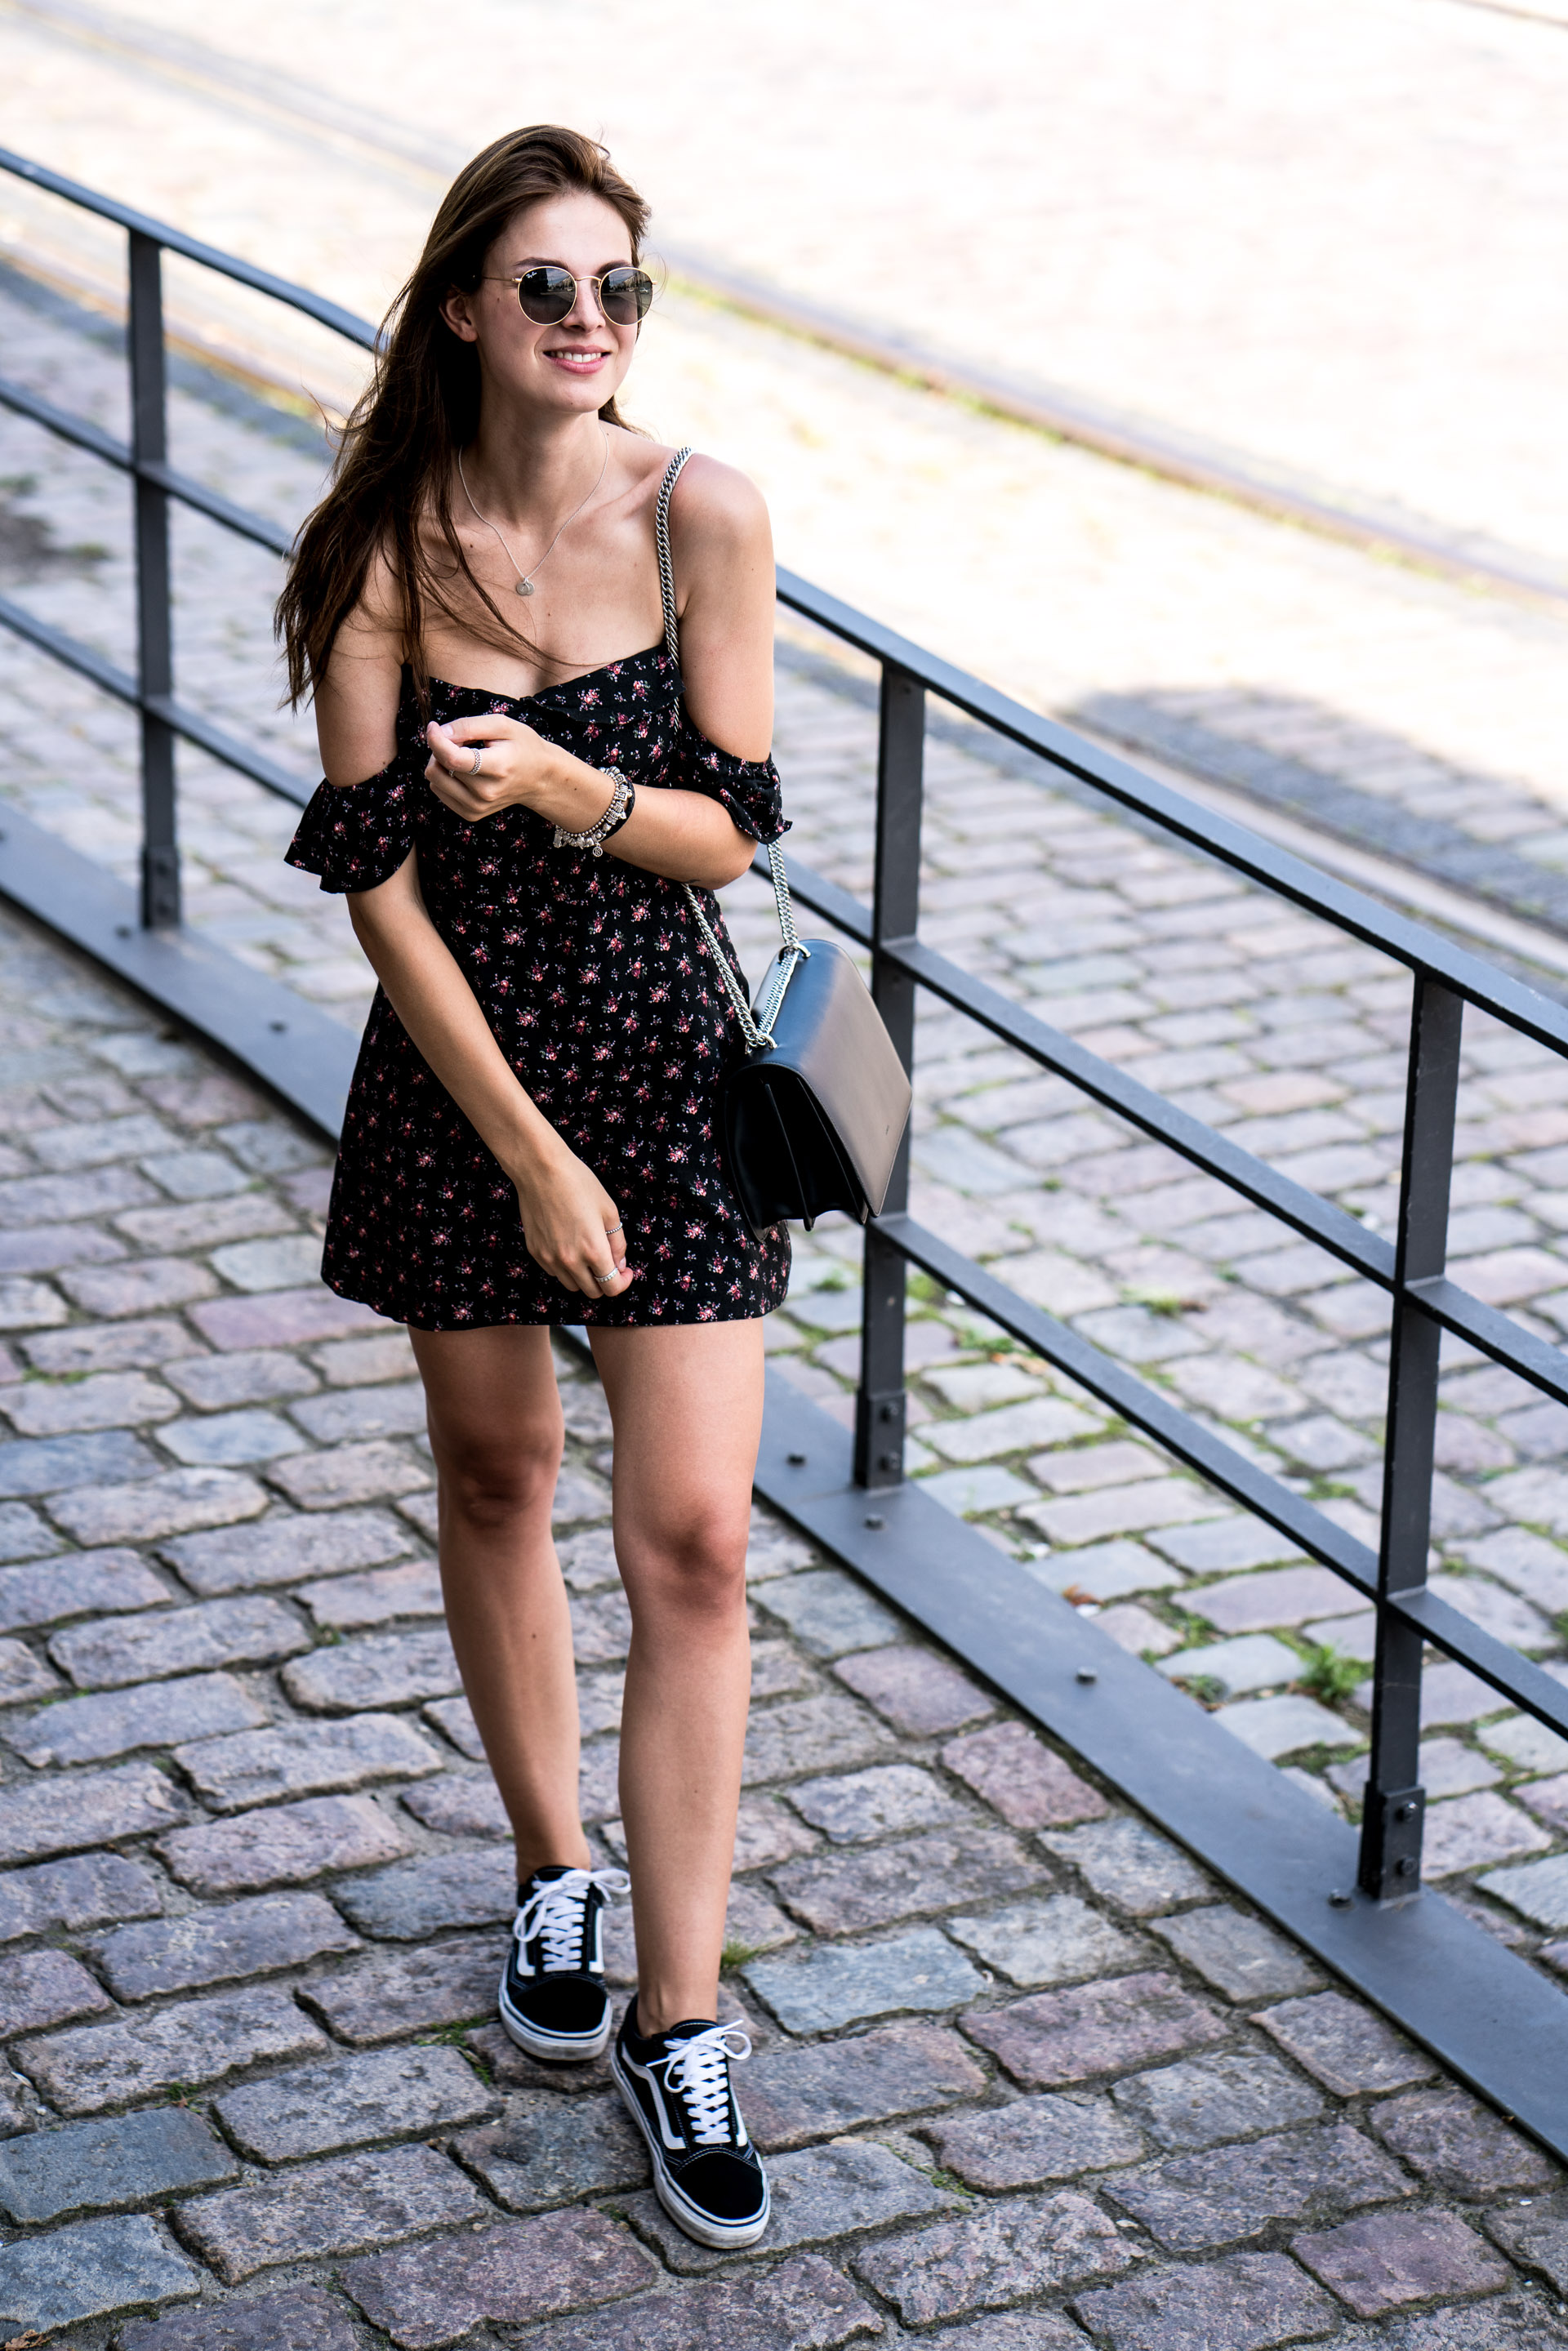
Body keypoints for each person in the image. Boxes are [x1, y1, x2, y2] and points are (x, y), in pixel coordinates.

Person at [276, 123, 788, 2251]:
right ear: (470, 309)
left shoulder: (702, 512)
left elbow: (737, 831)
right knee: (496, 1481)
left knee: (695, 1539)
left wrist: (586, 787)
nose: (592, 325)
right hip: (470, 1086)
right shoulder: (386, 540)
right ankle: (550, 1872)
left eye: (622, 288)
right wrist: (524, 1153)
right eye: (550, 289)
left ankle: (683, 2020)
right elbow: (373, 882)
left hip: (663, 1070)